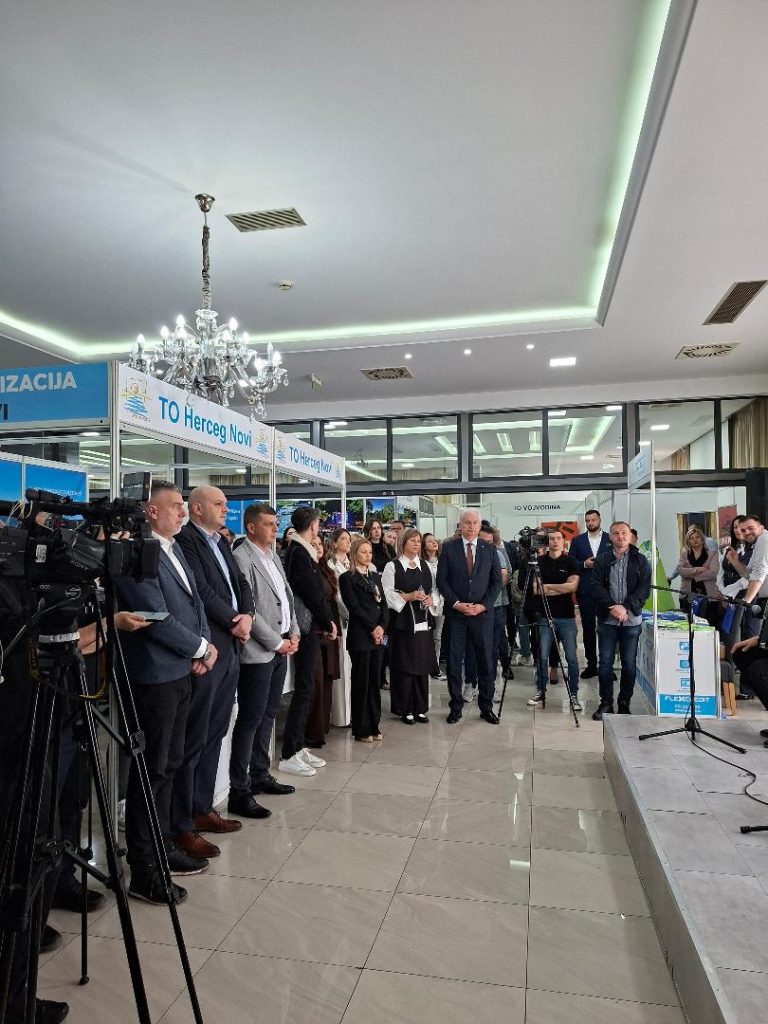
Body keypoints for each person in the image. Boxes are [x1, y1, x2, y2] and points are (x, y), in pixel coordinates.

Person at [114, 481, 218, 901]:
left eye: (182, 505)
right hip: (155, 678)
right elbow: (154, 616)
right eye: (174, 506)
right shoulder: (137, 553)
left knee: (171, 765)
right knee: (151, 772)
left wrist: (204, 644)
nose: (182, 512)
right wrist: (200, 647)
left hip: (181, 672)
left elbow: (195, 606)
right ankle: (144, 869)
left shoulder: (174, 549)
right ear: (151, 511)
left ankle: (162, 847)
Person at [174, 486, 255, 852]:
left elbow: (241, 583)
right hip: (210, 646)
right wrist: (234, 620)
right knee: (197, 733)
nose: (225, 509)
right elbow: (201, 591)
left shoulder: (220, 541)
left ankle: (202, 807)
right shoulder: (187, 541)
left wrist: (247, 614)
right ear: (197, 508)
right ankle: (184, 818)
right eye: (218, 504)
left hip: (232, 644)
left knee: (217, 729)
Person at [229, 503, 299, 809]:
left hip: (282, 646)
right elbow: (249, 610)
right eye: (269, 524)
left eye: (275, 523)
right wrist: (276, 643)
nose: (275, 528)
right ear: (251, 527)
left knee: (269, 713)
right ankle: (240, 787)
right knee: (250, 718)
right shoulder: (241, 557)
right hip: (259, 651)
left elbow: (286, 598)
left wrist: (294, 633)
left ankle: (260, 773)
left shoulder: (274, 556)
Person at [280, 507, 336, 776]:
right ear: (313, 526)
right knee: (304, 688)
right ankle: (289, 752)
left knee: (308, 687)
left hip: (310, 627)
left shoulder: (304, 552)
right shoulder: (299, 553)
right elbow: (312, 593)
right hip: (305, 627)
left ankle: (298, 745)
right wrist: (328, 621)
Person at [436, 509, 502, 724]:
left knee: (485, 662)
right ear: (461, 525)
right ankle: (456, 707)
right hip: (456, 615)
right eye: (467, 522)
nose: (471, 526)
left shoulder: (489, 549)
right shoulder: (449, 548)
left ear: (479, 525)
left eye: (475, 523)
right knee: (454, 662)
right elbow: (442, 581)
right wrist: (456, 604)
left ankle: (486, 707)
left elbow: (497, 582)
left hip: (482, 616)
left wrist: (483, 606)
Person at [590, 521, 652, 720]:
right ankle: (606, 703)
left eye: (624, 532)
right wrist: (612, 607)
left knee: (629, 664)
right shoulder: (602, 560)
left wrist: (624, 607)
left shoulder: (641, 560)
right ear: (610, 537)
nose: (620, 536)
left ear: (630, 535)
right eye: (616, 533)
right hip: (607, 620)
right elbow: (595, 586)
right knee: (605, 663)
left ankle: (624, 703)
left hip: (631, 620)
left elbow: (644, 589)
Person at [382, 528, 441, 723]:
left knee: (422, 664)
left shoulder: (426, 565)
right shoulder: (393, 566)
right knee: (404, 665)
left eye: (418, 541)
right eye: (412, 541)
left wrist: (431, 600)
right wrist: (408, 596)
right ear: (403, 543)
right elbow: (386, 594)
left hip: (423, 621)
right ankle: (404, 708)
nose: (416, 544)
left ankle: (420, 707)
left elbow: (435, 590)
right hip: (403, 623)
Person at [339, 537, 389, 741]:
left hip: (378, 636)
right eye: (363, 552)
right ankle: (361, 728)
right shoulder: (347, 578)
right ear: (354, 554)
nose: (368, 556)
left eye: (370, 552)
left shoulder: (375, 576)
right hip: (361, 635)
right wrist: (372, 627)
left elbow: (384, 605)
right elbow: (353, 607)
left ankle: (374, 725)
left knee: (374, 681)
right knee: (362, 682)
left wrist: (382, 627)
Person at [526, 530, 581, 711]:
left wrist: (548, 587)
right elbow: (536, 589)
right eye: (551, 539)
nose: (555, 541)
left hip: (567, 617)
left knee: (571, 658)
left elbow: (572, 586)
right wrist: (561, 587)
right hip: (545, 615)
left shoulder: (571, 561)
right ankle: (540, 691)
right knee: (542, 656)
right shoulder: (539, 562)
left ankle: (574, 694)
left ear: (563, 541)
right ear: (546, 542)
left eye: (558, 538)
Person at [305, 537, 341, 747]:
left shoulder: (326, 570)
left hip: (330, 629)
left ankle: (323, 727)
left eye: (320, 545)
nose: (318, 548)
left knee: (327, 679)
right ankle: (313, 732)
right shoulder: (308, 571)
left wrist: (334, 628)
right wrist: (327, 625)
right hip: (317, 630)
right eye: (313, 545)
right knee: (316, 682)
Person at [569, 510, 612, 679]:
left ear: (600, 520)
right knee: (588, 629)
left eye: (593, 519)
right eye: (587, 520)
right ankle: (591, 665)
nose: (590, 522)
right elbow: (571, 562)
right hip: (585, 591)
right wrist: (584, 565)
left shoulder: (610, 539)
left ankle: (606, 666)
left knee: (606, 629)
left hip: (607, 591)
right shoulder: (577, 540)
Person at [326, 527, 353, 726]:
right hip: (342, 620)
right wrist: (354, 613)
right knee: (342, 669)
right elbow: (337, 597)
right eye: (343, 538)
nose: (348, 542)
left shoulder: (351, 564)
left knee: (351, 670)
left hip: (355, 622)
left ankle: (351, 712)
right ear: (334, 543)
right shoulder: (331, 565)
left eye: (349, 539)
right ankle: (341, 717)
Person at [676, 524, 722, 627]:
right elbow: (680, 570)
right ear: (688, 541)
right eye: (691, 538)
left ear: (702, 539)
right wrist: (697, 569)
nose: (695, 540)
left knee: (710, 625)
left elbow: (713, 572)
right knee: (689, 626)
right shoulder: (685, 554)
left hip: (709, 595)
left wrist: (694, 576)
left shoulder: (712, 553)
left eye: (697, 537)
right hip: (687, 595)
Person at [737, 514, 768, 635]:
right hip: (762, 599)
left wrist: (746, 601)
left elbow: (759, 571)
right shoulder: (758, 543)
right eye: (743, 530)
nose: (747, 532)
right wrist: (734, 560)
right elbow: (748, 573)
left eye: (751, 528)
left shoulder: (764, 539)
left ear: (761, 528)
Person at [422, 532, 446, 680]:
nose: (434, 542)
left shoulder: (443, 561)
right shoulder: (422, 563)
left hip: (441, 603)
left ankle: (435, 667)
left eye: (434, 540)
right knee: (425, 636)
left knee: (437, 636)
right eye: (429, 541)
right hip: (425, 603)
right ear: (424, 546)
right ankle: (424, 665)